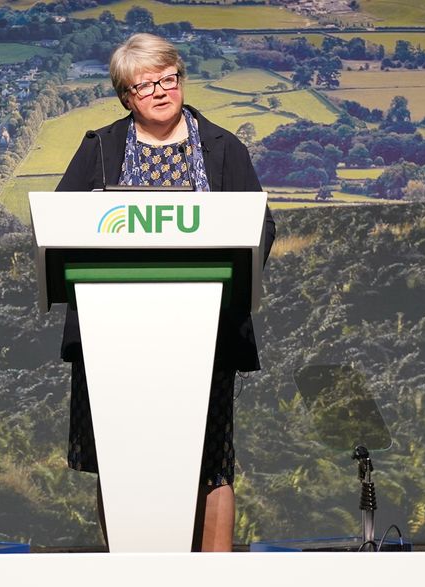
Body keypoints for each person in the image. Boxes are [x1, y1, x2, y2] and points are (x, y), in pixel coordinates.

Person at [55, 33, 275, 551]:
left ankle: (212, 582)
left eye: (168, 78)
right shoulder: (101, 149)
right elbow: (60, 227)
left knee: (210, 459)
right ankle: (132, 574)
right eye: (145, 84)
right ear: (126, 97)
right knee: (120, 455)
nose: (160, 91)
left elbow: (259, 227)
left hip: (206, 334)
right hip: (114, 338)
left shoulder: (223, 148)